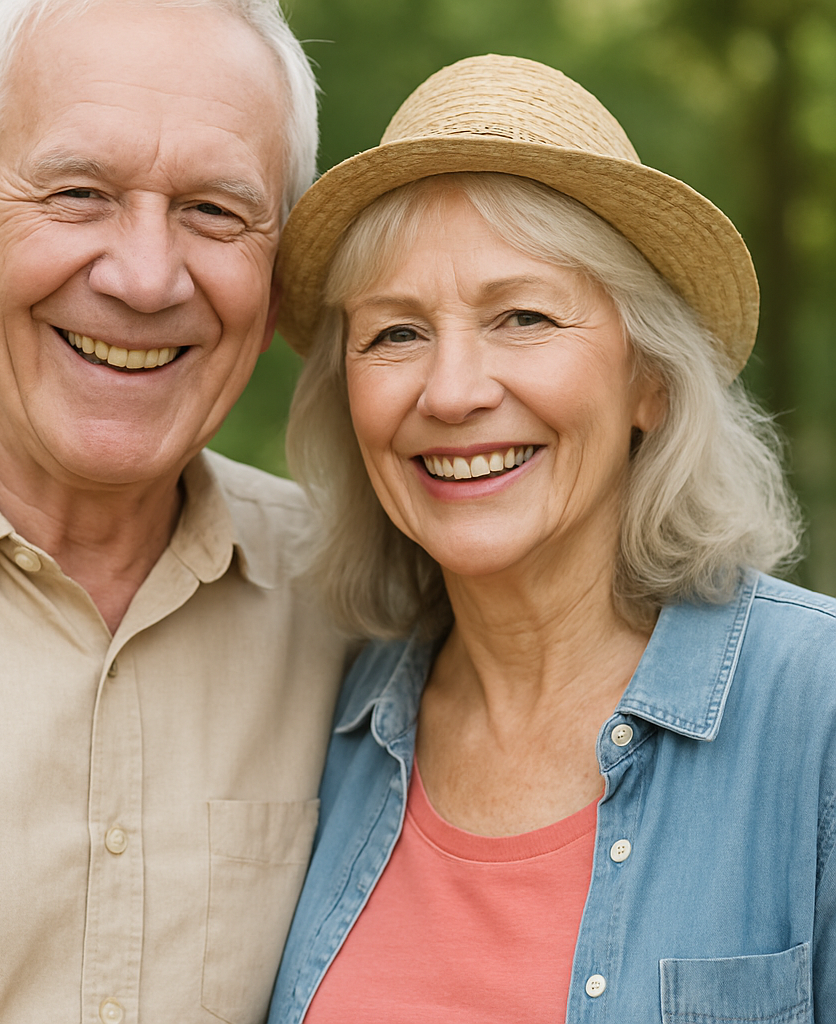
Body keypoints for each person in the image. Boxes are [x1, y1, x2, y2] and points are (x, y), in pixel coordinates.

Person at [267, 55, 836, 1023]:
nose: (450, 391)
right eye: (396, 333)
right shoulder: (319, 720)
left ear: (647, 380)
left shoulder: (815, 707)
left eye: (521, 316)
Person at [0, 1, 349, 1020]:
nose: (145, 277)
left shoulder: (359, 604)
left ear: (279, 277)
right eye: (78, 193)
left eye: (214, 211)